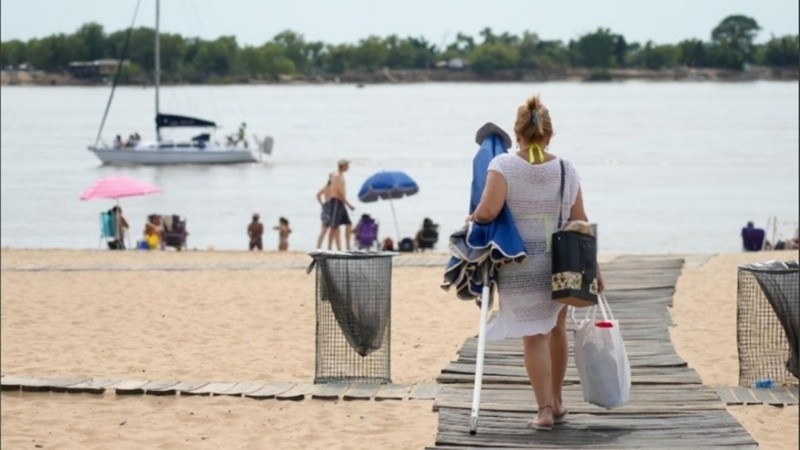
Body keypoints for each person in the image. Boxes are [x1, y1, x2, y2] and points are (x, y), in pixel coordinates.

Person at [468, 93, 604, 430]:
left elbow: (489, 211)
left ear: (517, 134)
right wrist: (595, 268)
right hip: (561, 263)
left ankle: (543, 410)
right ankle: (556, 403)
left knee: (534, 335)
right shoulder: (565, 169)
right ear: (549, 134)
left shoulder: (502, 166)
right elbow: (580, 220)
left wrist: (473, 217)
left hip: (519, 264)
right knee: (556, 327)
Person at [328, 159, 356, 250]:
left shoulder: (339, 175)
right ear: (342, 165)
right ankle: (329, 248)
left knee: (348, 223)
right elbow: (338, 192)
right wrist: (348, 204)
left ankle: (347, 246)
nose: (348, 166)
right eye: (347, 165)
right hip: (336, 201)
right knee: (334, 226)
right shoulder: (337, 176)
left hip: (341, 202)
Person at [315, 176, 333, 248]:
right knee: (333, 229)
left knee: (323, 229)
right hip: (332, 207)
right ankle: (329, 247)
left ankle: (318, 247)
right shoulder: (334, 187)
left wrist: (321, 203)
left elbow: (318, 195)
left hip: (325, 206)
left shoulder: (326, 186)